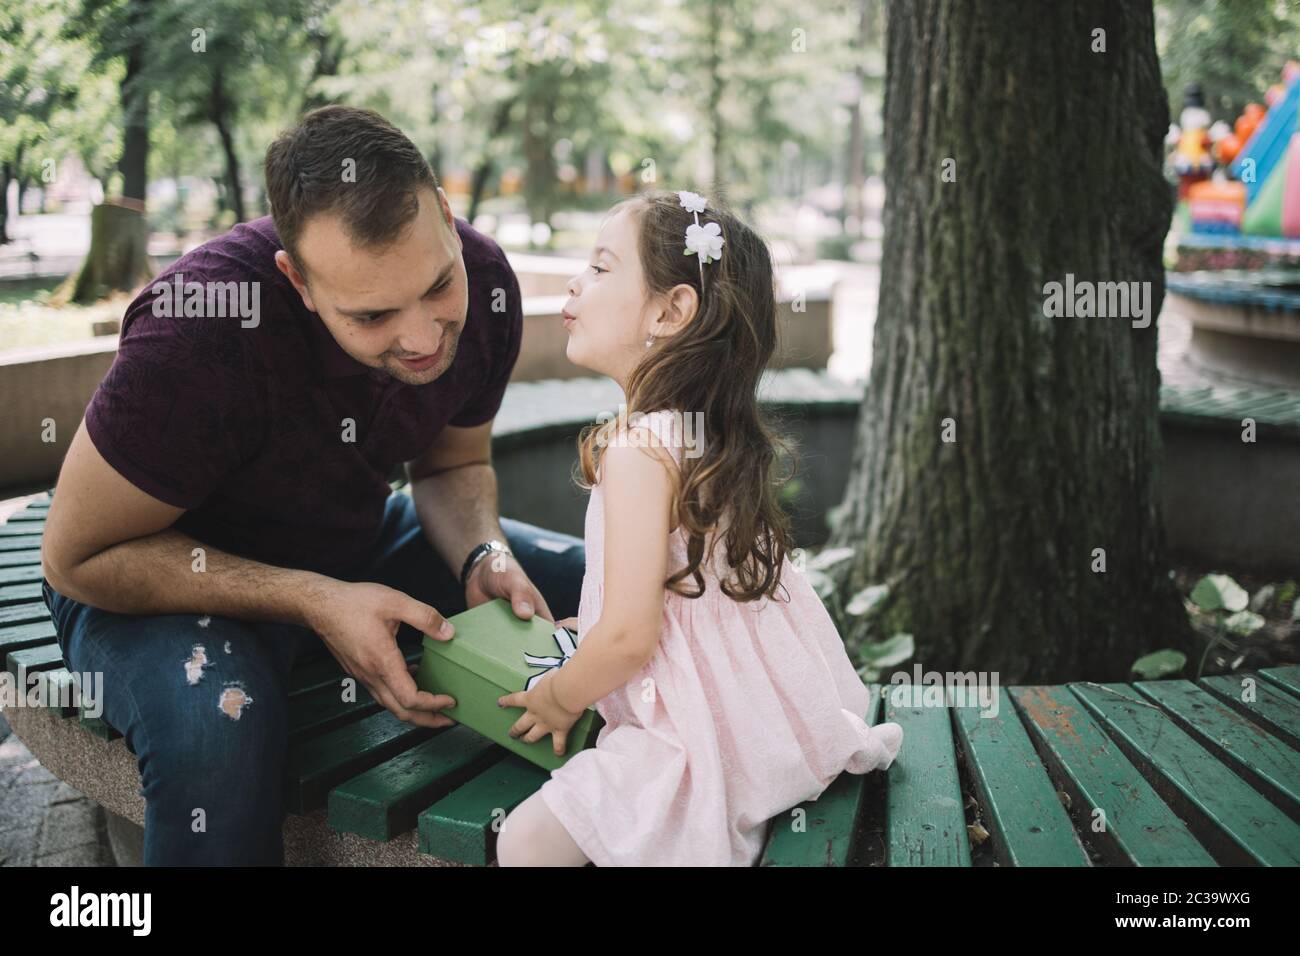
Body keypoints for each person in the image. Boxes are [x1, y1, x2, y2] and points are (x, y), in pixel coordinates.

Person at [39, 105, 585, 865]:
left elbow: (453, 466)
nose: (424, 336)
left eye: (437, 285)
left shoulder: (488, 283)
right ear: (295, 279)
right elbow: (75, 558)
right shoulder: (194, 332)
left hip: (350, 538)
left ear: (449, 218)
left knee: (595, 579)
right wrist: (313, 599)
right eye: (373, 314)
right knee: (219, 725)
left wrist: (480, 554)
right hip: (157, 574)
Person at [494, 189, 903, 867]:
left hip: (695, 732)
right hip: (767, 720)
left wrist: (561, 695)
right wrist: (589, 629)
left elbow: (629, 638)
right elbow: (693, 604)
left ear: (670, 310)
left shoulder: (638, 450)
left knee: (526, 840)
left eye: (600, 268)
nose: (574, 281)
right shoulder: (708, 436)